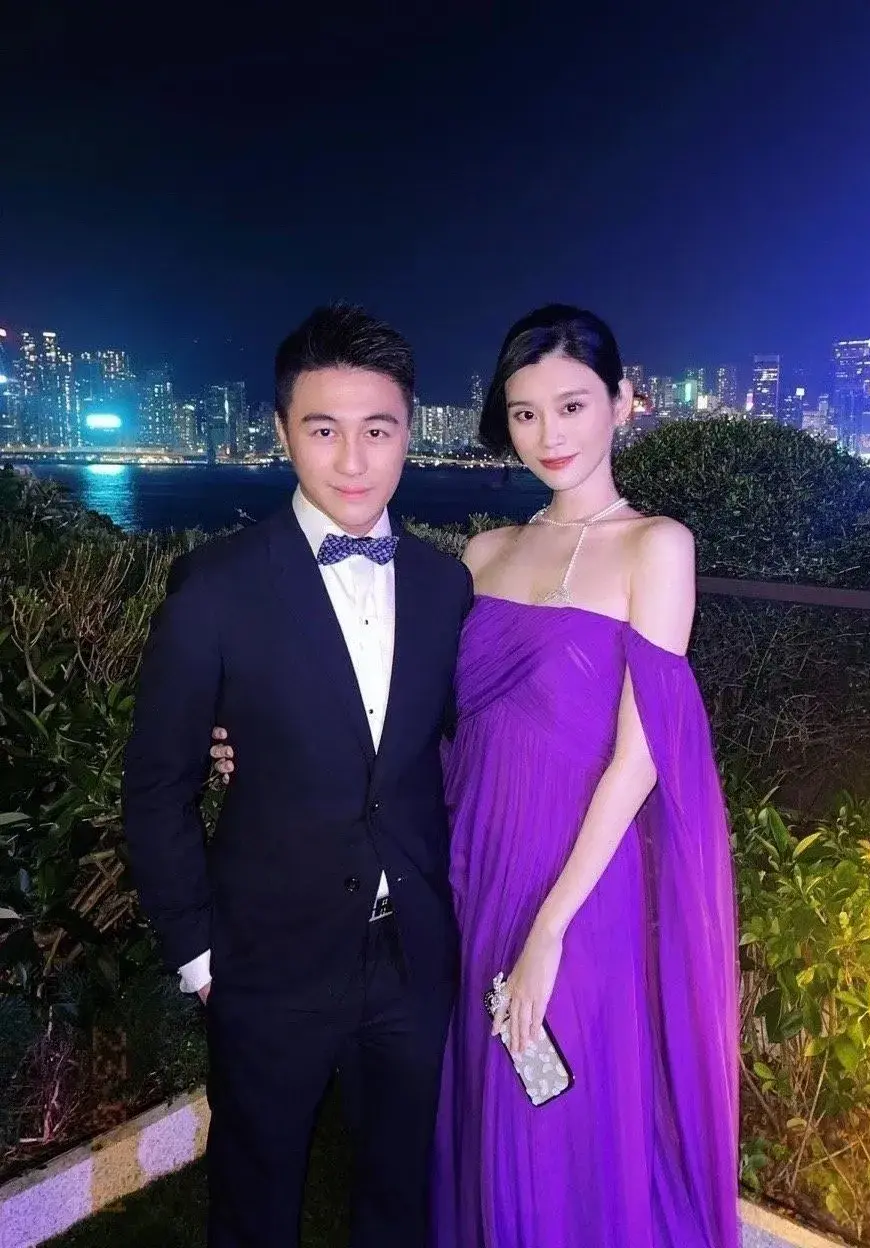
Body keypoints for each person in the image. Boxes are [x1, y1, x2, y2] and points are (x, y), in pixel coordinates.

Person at [212, 305, 740, 1246]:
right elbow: (415, 721)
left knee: (559, 1109)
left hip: (581, 884)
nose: (550, 434)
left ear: (622, 401)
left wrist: (551, 928)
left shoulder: (658, 545)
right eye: (526, 412)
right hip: (472, 868)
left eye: (572, 405)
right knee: (486, 1100)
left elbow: (641, 757)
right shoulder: (484, 554)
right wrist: (275, 744)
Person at [122, 304, 472, 1248]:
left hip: (411, 955)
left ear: (410, 431)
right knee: (255, 1199)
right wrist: (199, 957)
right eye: (324, 430)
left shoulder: (446, 586)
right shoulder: (215, 585)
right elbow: (156, 785)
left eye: (377, 430)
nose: (353, 460)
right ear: (282, 433)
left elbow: (439, 748)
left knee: (401, 1196)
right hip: (264, 961)